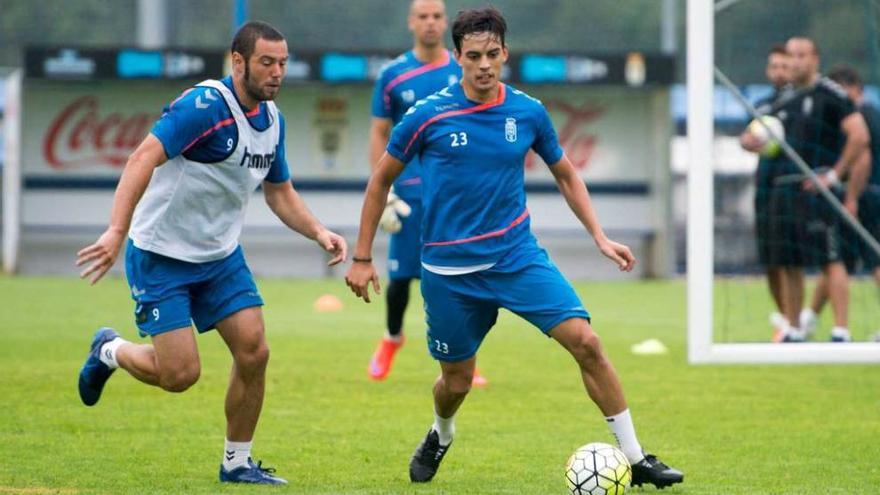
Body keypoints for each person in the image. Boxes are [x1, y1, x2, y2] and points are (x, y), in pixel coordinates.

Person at [345, 6, 683, 489]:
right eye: (474, 55)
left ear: (506, 52)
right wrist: (362, 257)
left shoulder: (528, 111)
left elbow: (565, 173)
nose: (484, 64)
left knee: (587, 343)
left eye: (493, 54)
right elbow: (380, 181)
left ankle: (637, 458)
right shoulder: (427, 115)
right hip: (449, 273)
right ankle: (441, 434)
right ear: (458, 57)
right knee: (456, 383)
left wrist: (600, 236)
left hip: (516, 258)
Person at [75, 21, 347, 484]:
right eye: (267, 62)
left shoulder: (272, 119)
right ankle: (110, 350)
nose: (277, 72)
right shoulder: (203, 107)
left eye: (283, 63)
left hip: (219, 258)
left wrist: (320, 231)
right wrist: (116, 230)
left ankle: (236, 463)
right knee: (179, 375)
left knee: (254, 351)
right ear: (238, 62)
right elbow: (142, 157)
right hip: (161, 254)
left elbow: (279, 193)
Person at [367, 0, 487, 385]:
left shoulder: (465, 68)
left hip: (456, 197)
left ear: (446, 22)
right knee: (401, 278)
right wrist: (382, 190)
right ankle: (391, 339)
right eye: (424, 16)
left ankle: (466, 357)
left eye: (437, 16)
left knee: (462, 277)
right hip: (408, 194)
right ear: (411, 22)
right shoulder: (393, 75)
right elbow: (379, 132)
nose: (431, 23)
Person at [767, 37, 869, 342]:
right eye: (791, 55)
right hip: (785, 190)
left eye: (801, 55)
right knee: (789, 261)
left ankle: (841, 329)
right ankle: (795, 328)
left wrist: (834, 176)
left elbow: (859, 136)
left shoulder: (831, 95)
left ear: (815, 59)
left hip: (818, 192)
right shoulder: (783, 99)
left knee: (830, 258)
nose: (795, 61)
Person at [801, 65, 878, 339]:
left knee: (873, 259)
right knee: (834, 260)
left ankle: (832, 326)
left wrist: (852, 198)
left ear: (854, 89)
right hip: (859, 193)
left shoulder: (862, 116)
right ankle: (808, 318)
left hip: (866, 194)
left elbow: (864, 157)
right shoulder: (869, 113)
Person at [739, 44, 793, 342]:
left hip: (793, 190)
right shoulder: (761, 106)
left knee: (792, 259)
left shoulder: (800, 102)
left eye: (784, 66)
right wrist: (747, 141)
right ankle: (785, 318)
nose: (779, 72)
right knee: (770, 260)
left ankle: (797, 320)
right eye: (774, 66)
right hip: (765, 188)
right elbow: (746, 137)